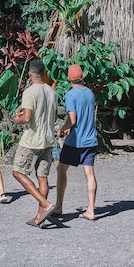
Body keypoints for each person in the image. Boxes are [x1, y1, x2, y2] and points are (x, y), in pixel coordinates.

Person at [12, 59, 58, 227]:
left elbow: (26, 117)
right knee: (42, 177)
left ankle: (45, 205)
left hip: (32, 140)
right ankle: (39, 217)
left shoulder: (30, 92)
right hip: (48, 140)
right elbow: (54, 117)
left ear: (30, 74)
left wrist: (16, 119)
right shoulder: (52, 92)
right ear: (44, 73)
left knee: (18, 172)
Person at [55, 64, 99, 221]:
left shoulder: (70, 95)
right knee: (90, 174)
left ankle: (59, 206)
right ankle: (91, 210)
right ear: (82, 77)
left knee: (61, 169)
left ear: (69, 78)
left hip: (75, 141)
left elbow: (72, 120)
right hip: (90, 139)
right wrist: (70, 127)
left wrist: (62, 129)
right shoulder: (90, 93)